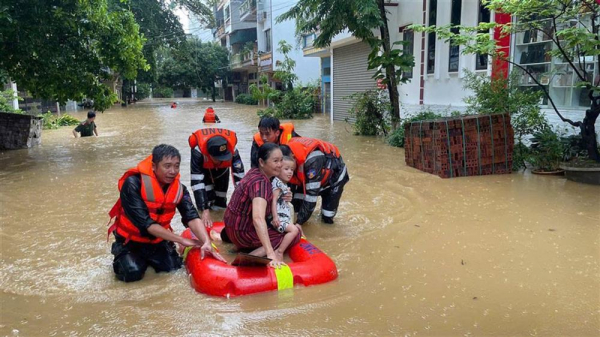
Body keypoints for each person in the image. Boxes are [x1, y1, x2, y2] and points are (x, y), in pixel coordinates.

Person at [107, 144, 225, 282]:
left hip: (158, 242)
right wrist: (181, 239)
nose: (173, 171)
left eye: (176, 166)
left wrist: (206, 241)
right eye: (167, 166)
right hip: (130, 243)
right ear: (153, 166)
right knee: (132, 273)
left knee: (173, 269)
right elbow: (146, 224)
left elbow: (192, 216)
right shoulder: (132, 184)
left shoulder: (180, 189)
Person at [223, 143, 301, 268]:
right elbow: (258, 218)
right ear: (262, 162)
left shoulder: (254, 172)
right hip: (242, 234)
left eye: (281, 160)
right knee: (295, 233)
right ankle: (245, 260)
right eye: (275, 161)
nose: (280, 165)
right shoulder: (261, 183)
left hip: (231, 229)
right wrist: (270, 254)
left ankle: (239, 248)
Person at [284, 137, 350, 225]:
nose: (287, 171)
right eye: (285, 168)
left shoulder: (312, 161)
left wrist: (298, 224)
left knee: (327, 217)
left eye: (289, 168)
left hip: (334, 179)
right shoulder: (288, 158)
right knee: (296, 208)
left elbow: (311, 196)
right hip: (310, 176)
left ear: (292, 157)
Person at [189, 128, 245, 228]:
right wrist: (204, 210)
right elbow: (197, 182)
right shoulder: (198, 152)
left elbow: (240, 179)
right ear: (209, 154)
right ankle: (206, 223)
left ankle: (220, 221)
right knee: (207, 201)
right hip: (205, 171)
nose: (220, 161)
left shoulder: (233, 151)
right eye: (218, 158)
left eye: (223, 157)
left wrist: (242, 205)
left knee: (221, 200)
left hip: (222, 172)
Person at [270, 156, 302, 243]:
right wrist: (275, 217)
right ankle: (280, 252)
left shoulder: (283, 184)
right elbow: (273, 200)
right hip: (279, 219)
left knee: (299, 227)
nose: (290, 172)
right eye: (286, 169)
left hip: (284, 217)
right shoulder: (277, 183)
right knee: (294, 230)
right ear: (278, 169)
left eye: (292, 170)